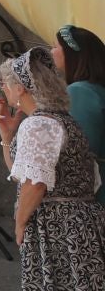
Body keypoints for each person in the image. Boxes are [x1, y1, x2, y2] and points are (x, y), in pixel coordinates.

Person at [0, 45, 105, 291]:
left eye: (4, 83)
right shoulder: (62, 120)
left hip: (57, 227)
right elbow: (24, 173)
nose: (4, 89)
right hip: (81, 221)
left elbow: (35, 184)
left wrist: (19, 222)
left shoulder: (39, 125)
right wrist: (7, 138)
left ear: (19, 88)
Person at [54, 24, 105, 203]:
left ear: (71, 54)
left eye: (55, 47)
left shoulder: (80, 92)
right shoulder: (95, 89)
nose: (51, 52)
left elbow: (81, 150)